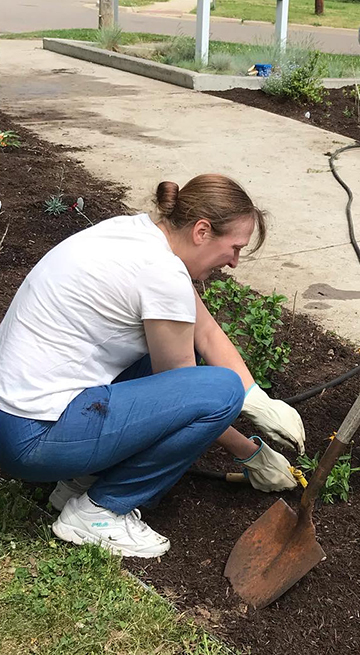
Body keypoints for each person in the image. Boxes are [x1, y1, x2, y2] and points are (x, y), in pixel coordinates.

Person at [0, 174, 306, 558]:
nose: (234, 262)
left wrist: (260, 402)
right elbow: (187, 395)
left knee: (178, 359)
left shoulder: (136, 234)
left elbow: (206, 332)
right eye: (234, 248)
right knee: (220, 390)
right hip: (32, 438)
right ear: (201, 231)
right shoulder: (163, 275)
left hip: (14, 416)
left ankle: (79, 483)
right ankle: (101, 511)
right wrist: (247, 451)